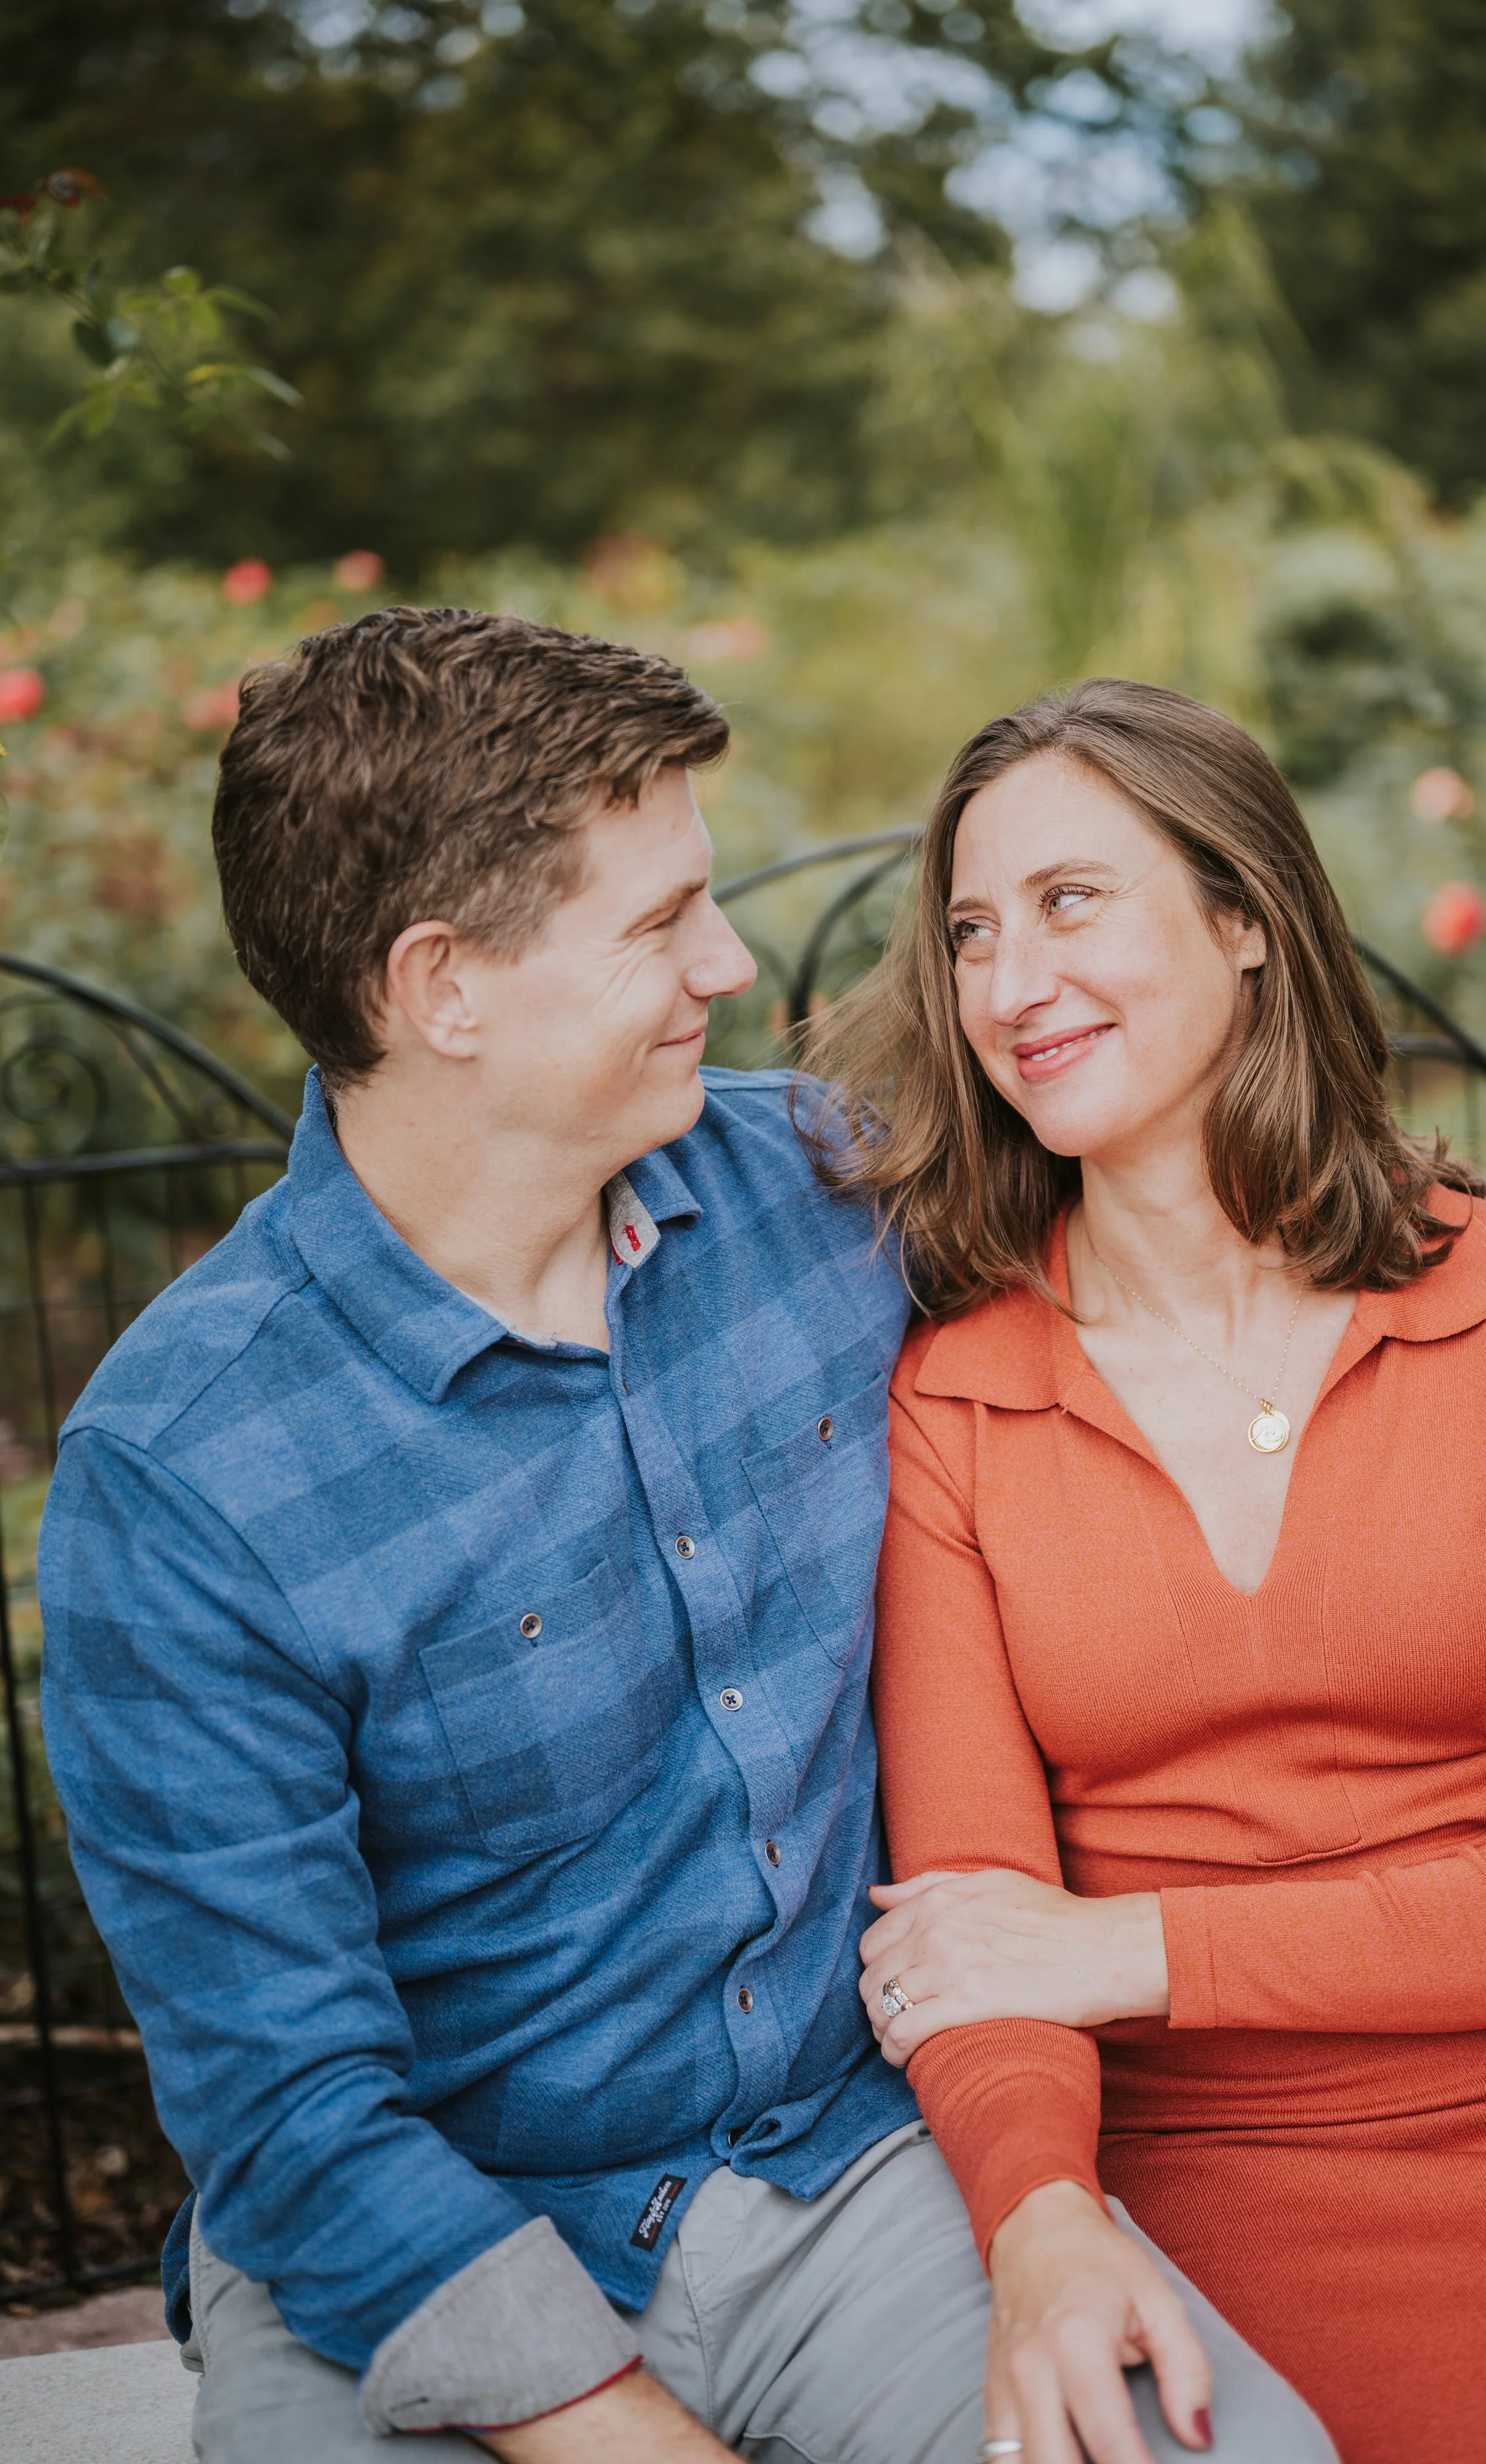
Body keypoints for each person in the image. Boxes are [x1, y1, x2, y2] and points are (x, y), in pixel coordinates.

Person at [37, 615, 1342, 2464]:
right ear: (445, 986)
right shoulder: (187, 1479)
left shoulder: (821, 1191)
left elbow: (1201, 1198)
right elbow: (289, 2106)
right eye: (659, 923)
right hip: (419, 2246)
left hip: (846, 2164)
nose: (726, 963)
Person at [809, 677, 1486, 2464]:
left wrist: (1122, 1943)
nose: (1008, 982)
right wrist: (1039, 2224)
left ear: (1247, 916)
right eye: (968, 929)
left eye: (1069, 900)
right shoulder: (950, 1394)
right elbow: (965, 1930)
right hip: (1186, 2203)